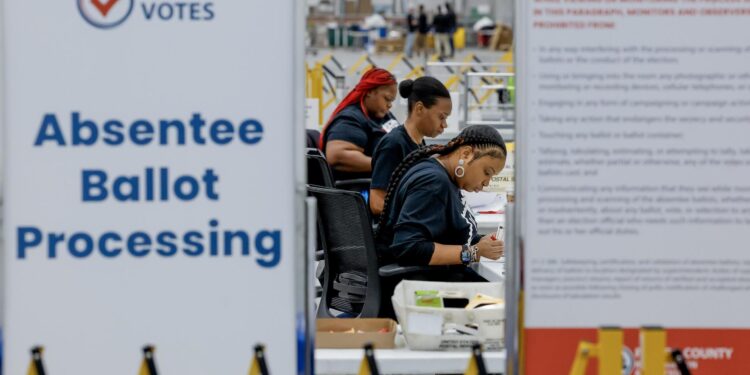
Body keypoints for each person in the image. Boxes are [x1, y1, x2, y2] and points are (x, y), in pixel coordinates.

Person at [375, 125, 507, 271]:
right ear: (466, 154)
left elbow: (445, 235)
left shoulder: (447, 178)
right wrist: (473, 252)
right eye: (487, 172)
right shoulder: (434, 182)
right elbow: (409, 249)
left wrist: (482, 243)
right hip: (426, 287)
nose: (486, 182)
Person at [369, 76, 451, 216]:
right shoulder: (393, 145)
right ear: (419, 108)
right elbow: (377, 203)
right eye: (441, 117)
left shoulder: (419, 143)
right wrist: (420, 215)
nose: (444, 125)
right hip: (399, 232)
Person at [321, 68, 398, 182]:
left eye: (392, 101)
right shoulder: (350, 119)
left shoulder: (383, 115)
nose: (389, 105)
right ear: (370, 92)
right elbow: (337, 156)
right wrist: (387, 166)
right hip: (364, 190)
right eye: (387, 99)